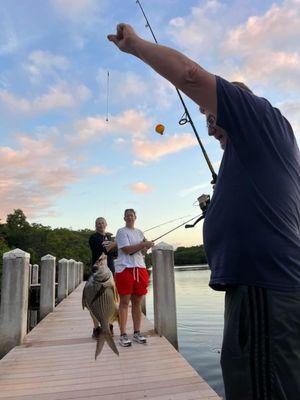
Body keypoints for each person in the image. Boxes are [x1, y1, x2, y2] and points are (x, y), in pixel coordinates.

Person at [108, 24, 300, 399]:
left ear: (235, 103)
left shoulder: (259, 116)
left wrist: (136, 47)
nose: (209, 127)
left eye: (210, 113)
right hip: (258, 291)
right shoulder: (252, 150)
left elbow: (191, 75)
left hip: (264, 291)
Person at [114, 209, 154, 347]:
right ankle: (123, 334)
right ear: (124, 217)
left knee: (137, 302)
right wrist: (143, 244)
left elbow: (142, 251)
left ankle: (137, 332)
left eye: (132, 215)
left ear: (135, 217)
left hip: (140, 268)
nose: (130, 217)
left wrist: (147, 246)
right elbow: (127, 250)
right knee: (124, 302)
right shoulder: (121, 231)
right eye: (127, 215)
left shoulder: (139, 232)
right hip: (125, 269)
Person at [88, 217, 117, 339]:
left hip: (110, 271)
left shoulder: (109, 238)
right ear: (95, 225)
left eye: (102, 223)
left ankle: (109, 326)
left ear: (106, 224)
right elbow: (101, 251)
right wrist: (115, 243)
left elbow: (114, 254)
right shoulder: (93, 238)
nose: (100, 225)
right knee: (94, 301)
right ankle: (96, 328)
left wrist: (115, 245)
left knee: (111, 300)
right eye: (98, 223)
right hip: (97, 273)